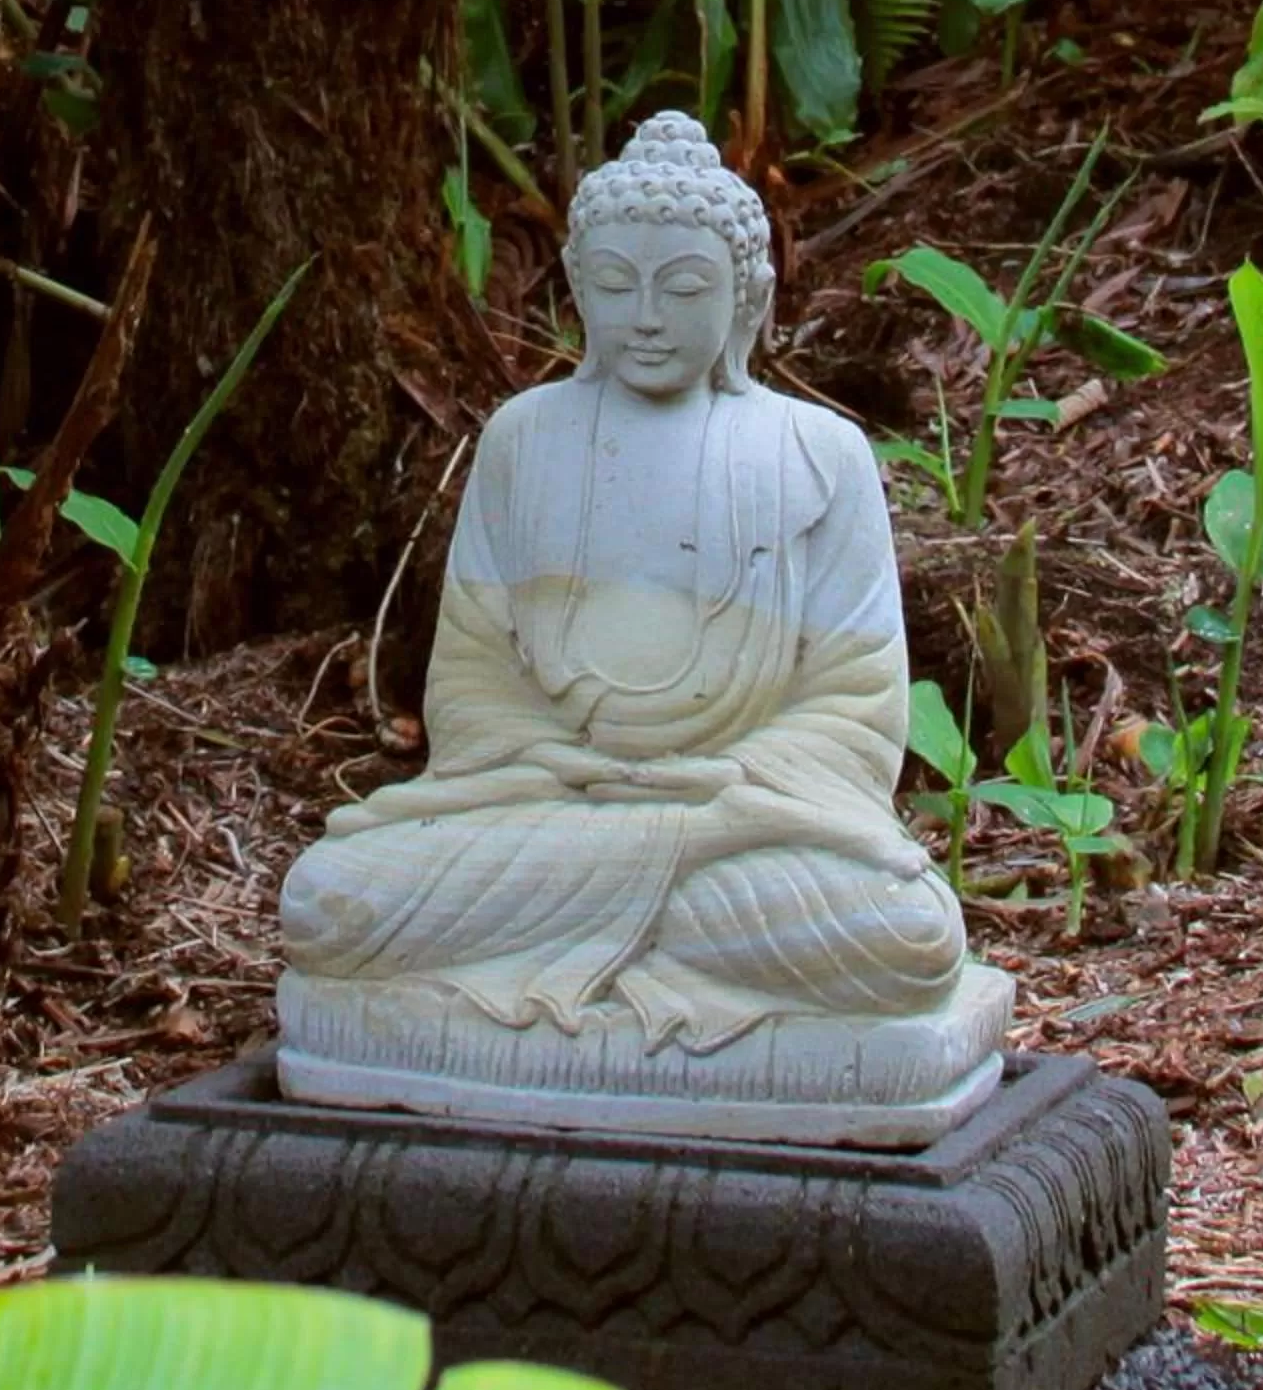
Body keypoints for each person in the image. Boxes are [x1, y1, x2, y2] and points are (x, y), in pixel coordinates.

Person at [273, 114, 1010, 1144]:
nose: (648, 317)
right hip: (546, 809)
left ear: (746, 295)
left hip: (739, 827)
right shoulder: (526, 441)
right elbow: (473, 683)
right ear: (578, 289)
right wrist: (570, 770)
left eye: (686, 288)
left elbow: (856, 707)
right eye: (616, 286)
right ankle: (657, 959)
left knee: (906, 937)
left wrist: (710, 799)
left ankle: (603, 956)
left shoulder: (817, 453)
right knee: (329, 904)